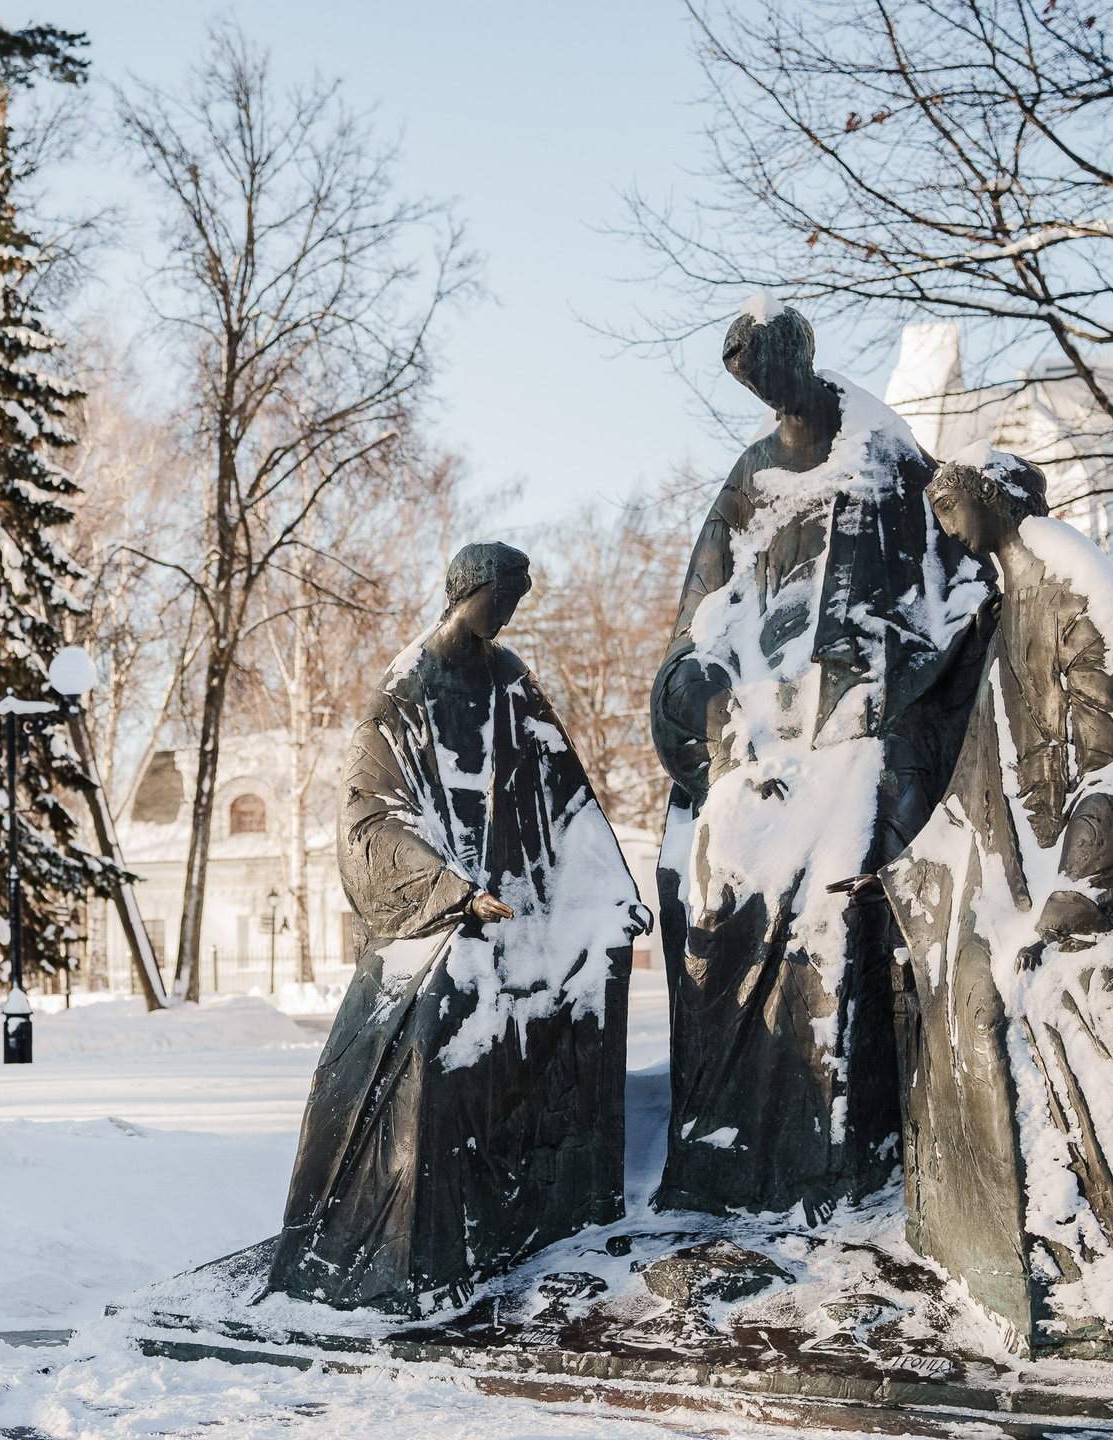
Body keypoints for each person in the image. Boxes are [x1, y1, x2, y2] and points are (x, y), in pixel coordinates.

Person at [883, 448, 1113, 1364]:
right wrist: (911, 869)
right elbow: (980, 788)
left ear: (994, 501)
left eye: (952, 508)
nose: (943, 528)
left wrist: (1080, 889)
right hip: (1055, 906)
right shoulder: (1010, 604)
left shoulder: (1076, 588)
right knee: (974, 1012)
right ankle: (1066, 1273)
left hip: (1108, 907)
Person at [648, 296, 988, 1220]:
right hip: (765, 736)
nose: (766, 396)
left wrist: (872, 688)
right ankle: (723, 1150)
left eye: (772, 374)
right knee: (712, 887)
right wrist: (717, 700)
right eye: (751, 384)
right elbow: (707, 610)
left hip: (860, 737)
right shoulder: (752, 475)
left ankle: (827, 1157)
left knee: (838, 889)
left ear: (801, 360)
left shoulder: (880, 455)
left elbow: (947, 587)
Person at [265, 543, 649, 1314]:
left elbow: (564, 790)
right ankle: (418, 1244)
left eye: (517, 600)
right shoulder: (404, 690)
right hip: (438, 913)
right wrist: (452, 890)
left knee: (581, 974)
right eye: (501, 597)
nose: (508, 614)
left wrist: (609, 890)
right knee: (440, 1018)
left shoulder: (508, 679)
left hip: (520, 908)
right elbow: (368, 815)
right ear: (466, 591)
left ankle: (548, 1206)